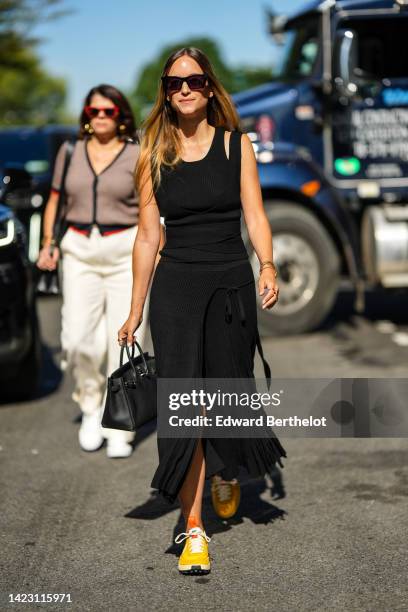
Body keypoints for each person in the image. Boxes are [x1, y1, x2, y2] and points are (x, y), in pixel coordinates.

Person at [118, 48, 287, 574]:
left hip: (231, 286)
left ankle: (226, 466)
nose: (184, 89)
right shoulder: (152, 154)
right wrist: (135, 310)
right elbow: (148, 237)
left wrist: (269, 265)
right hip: (176, 290)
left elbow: (255, 214)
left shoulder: (238, 147)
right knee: (185, 407)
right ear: (166, 92)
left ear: (210, 88)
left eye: (193, 80)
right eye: (174, 83)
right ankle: (194, 529)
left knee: (226, 392)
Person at [37, 83, 156, 458]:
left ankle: (120, 423)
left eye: (109, 111)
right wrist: (47, 243)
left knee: (122, 340)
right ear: (86, 116)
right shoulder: (69, 152)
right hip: (79, 251)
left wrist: (157, 249)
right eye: (94, 111)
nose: (101, 117)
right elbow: (55, 197)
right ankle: (90, 407)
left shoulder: (137, 153)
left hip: (126, 251)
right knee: (77, 340)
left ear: (121, 115)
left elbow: (150, 206)